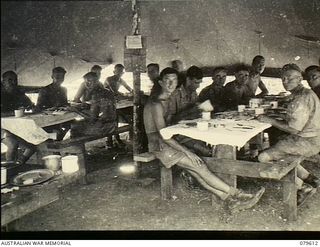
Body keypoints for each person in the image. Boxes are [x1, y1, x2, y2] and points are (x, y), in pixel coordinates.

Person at [143, 67, 265, 212]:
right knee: (198, 165)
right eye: (167, 81)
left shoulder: (167, 100)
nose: (171, 84)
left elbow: (170, 125)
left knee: (196, 170)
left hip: (168, 141)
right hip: (159, 145)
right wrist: (188, 152)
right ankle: (238, 194)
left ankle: (229, 200)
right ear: (160, 82)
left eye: (174, 80)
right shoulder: (156, 103)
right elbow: (164, 135)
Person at [257, 64, 320, 206]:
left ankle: (302, 187)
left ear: (299, 79)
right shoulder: (302, 93)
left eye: (289, 78)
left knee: (263, 157)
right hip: (311, 138)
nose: (285, 81)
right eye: (283, 78)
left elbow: (294, 129)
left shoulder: (301, 98)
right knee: (278, 145)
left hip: (308, 142)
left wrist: (270, 120)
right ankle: (309, 177)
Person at [1, 71, 35, 164]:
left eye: (15, 80)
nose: (13, 82)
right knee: (13, 144)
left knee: (32, 145)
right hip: (2, 128)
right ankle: (9, 169)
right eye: (10, 80)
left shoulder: (18, 92)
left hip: (14, 128)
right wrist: (14, 113)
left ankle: (19, 163)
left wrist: (30, 106)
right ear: (3, 82)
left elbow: (30, 105)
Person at [71, 72, 117, 138]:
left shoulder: (96, 95)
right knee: (80, 124)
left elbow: (92, 119)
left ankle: (80, 148)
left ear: (96, 82)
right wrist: (89, 106)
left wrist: (75, 110)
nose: (87, 84)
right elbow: (102, 108)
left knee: (74, 126)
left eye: (89, 82)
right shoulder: (108, 91)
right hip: (113, 125)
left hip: (104, 129)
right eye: (85, 82)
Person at [36, 67, 70, 141]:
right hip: (47, 119)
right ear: (52, 77)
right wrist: (50, 108)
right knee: (56, 133)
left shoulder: (64, 90)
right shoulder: (45, 90)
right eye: (57, 77)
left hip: (60, 116)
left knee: (72, 125)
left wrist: (67, 106)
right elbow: (39, 107)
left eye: (62, 77)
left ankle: (56, 141)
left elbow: (65, 103)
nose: (59, 79)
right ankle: (52, 141)